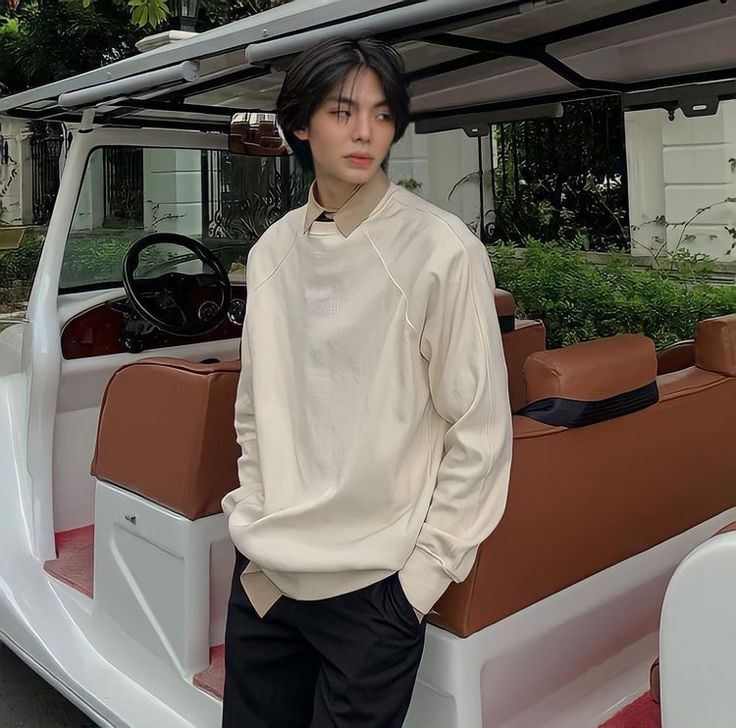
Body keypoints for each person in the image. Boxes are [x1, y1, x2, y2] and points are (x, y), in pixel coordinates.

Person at [221, 37, 513, 728]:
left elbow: (480, 431)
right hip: (267, 578)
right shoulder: (271, 252)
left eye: (382, 115)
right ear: (300, 122)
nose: (364, 132)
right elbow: (254, 413)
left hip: (376, 592)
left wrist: (417, 584)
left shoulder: (442, 251)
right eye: (342, 110)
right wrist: (255, 515)